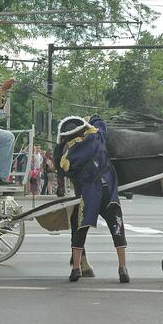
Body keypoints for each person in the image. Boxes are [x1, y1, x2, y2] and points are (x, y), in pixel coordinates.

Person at [55, 114, 129, 283]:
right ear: (83, 129)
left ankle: (76, 269)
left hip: (90, 197)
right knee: (118, 229)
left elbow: (62, 168)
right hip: (109, 194)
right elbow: (101, 122)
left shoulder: (70, 157)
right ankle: (123, 269)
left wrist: (61, 145)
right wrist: (92, 118)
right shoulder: (97, 137)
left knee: (80, 231)